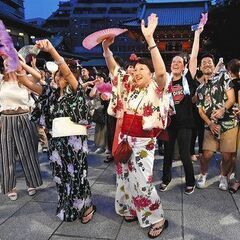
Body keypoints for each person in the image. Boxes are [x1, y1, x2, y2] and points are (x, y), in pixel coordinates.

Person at [102, 13, 172, 238]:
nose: (137, 72)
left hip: (143, 141)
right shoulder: (129, 86)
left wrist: (150, 39)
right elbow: (114, 70)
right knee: (124, 178)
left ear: (150, 75)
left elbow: (162, 72)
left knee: (142, 182)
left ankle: (157, 217)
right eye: (136, 69)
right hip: (125, 138)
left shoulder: (156, 88)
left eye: (143, 69)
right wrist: (106, 50)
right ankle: (131, 208)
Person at [15, 39, 95, 223]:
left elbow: (66, 69)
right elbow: (26, 82)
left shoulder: (76, 91)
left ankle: (87, 205)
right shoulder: (51, 94)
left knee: (77, 177)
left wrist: (51, 50)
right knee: (61, 177)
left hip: (74, 141)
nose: (60, 77)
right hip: (57, 142)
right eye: (58, 75)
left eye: (64, 75)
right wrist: (18, 64)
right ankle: (70, 208)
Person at [159, 27, 203, 194]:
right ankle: (165, 179)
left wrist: (197, 34)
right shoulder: (166, 81)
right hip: (170, 123)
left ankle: (190, 182)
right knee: (168, 154)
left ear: (183, 66)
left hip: (185, 123)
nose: (175, 64)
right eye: (173, 62)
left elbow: (194, 57)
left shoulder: (187, 80)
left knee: (185, 154)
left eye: (179, 62)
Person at [196, 54, 238, 190]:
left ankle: (223, 176)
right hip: (210, 126)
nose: (207, 64)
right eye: (204, 63)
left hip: (229, 124)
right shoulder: (199, 88)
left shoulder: (224, 77)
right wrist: (209, 123)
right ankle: (203, 174)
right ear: (200, 67)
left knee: (227, 156)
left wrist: (223, 109)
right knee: (206, 154)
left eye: (209, 62)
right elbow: (201, 111)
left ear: (214, 65)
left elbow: (231, 98)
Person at [0, 70, 42, 201]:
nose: (8, 62)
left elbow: (38, 76)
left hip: (24, 118)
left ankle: (31, 183)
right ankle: (10, 186)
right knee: (6, 153)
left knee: (28, 152)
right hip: (5, 118)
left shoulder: (24, 79)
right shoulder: (1, 80)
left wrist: (22, 65)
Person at [227, 59, 240, 193]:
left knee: (235, 153)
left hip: (234, 119)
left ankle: (234, 178)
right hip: (235, 119)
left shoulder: (230, 83)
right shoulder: (230, 84)